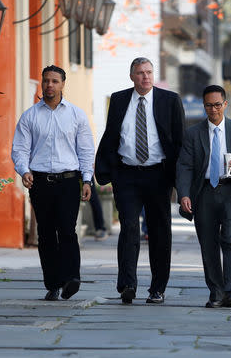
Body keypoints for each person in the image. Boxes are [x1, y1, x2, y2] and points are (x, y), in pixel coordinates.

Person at [95, 57, 185, 304]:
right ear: (132, 76)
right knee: (129, 229)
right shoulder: (119, 99)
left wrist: (181, 181)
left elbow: (179, 142)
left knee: (159, 232)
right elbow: (112, 135)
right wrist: (110, 170)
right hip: (127, 175)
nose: (145, 77)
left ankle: (157, 288)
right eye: (140, 73)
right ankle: (127, 285)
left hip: (158, 174)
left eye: (149, 72)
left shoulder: (170, 101)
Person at [11, 65, 94, 301]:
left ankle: (72, 279)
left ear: (62, 84)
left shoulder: (76, 115)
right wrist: (24, 170)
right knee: (46, 234)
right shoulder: (30, 116)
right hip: (40, 182)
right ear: (41, 84)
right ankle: (53, 283)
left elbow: (86, 150)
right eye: (46, 81)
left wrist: (87, 179)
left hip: (68, 181)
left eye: (55, 81)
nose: (50, 85)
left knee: (67, 230)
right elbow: (20, 149)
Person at [176, 85, 231, 309]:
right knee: (208, 244)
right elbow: (184, 166)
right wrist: (183, 194)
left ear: (225, 104)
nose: (213, 110)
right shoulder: (193, 133)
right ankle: (216, 291)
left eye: (217, 105)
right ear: (204, 106)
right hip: (204, 192)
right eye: (209, 106)